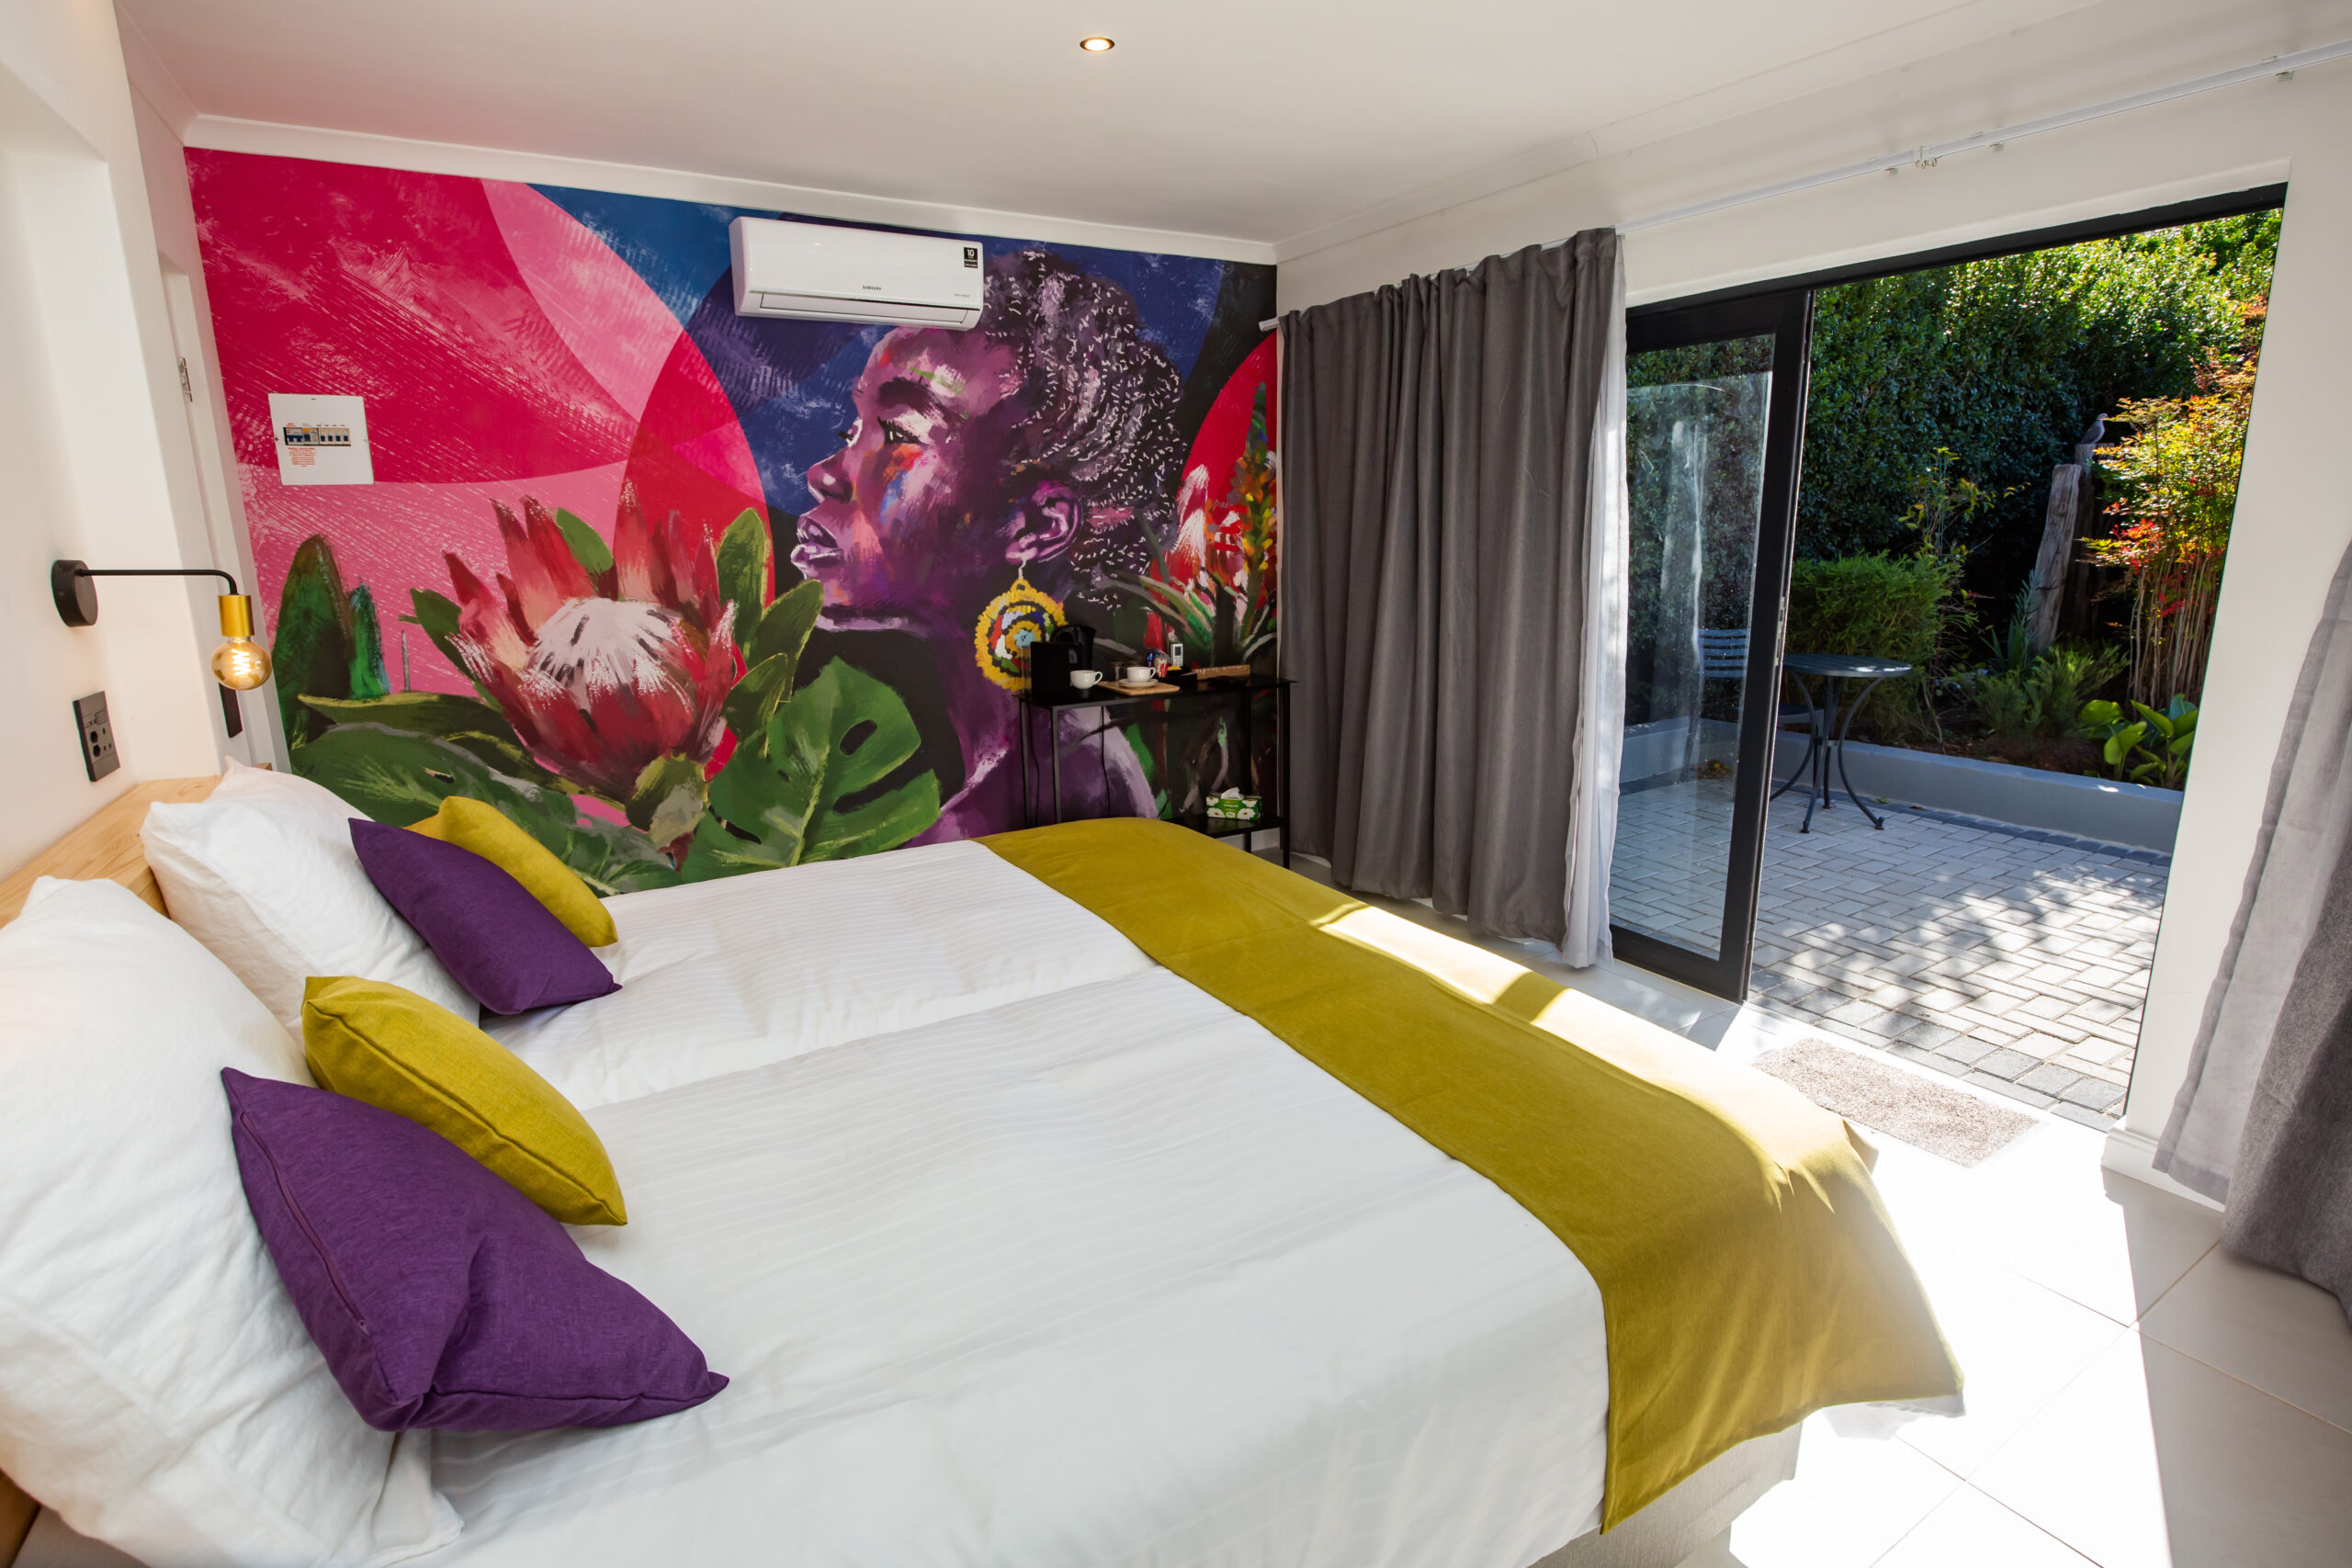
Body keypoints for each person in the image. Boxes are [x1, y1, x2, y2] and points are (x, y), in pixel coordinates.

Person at [793, 248, 1180, 841]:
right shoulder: (1045, 755)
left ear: (1037, 526)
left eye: (897, 432)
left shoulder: (1044, 788)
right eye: (851, 430)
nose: (823, 474)